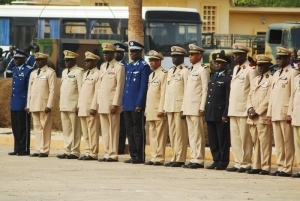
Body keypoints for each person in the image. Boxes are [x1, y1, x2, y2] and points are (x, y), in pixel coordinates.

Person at [267, 47, 298, 177]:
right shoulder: (275, 74)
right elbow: (272, 96)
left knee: (287, 141)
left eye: (281, 58)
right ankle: (280, 165)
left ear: (289, 58)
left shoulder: (293, 73)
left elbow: (292, 94)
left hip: (285, 111)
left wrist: (290, 112)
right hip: (275, 112)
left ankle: (287, 167)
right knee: (279, 142)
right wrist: (269, 113)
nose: (278, 60)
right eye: (278, 58)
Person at [227, 43, 258, 173]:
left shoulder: (251, 70)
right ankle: (238, 161)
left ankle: (245, 162)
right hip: (233, 108)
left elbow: (253, 90)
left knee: (245, 138)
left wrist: (250, 108)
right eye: (234, 54)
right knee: (235, 138)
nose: (235, 57)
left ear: (245, 55)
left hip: (243, 108)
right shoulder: (235, 69)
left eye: (238, 54)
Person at [92, 43, 125, 162]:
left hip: (112, 103)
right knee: (105, 130)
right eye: (104, 53)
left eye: (108, 53)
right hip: (103, 103)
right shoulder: (102, 66)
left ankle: (113, 154)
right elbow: (99, 87)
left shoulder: (118, 67)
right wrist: (97, 102)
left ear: (113, 54)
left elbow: (119, 87)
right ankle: (106, 153)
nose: (105, 55)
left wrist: (115, 103)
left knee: (113, 130)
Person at [122, 41, 151, 164]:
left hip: (136, 104)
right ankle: (133, 154)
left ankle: (139, 155)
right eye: (130, 51)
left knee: (138, 131)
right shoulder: (129, 66)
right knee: (129, 130)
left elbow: (143, 87)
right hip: (128, 103)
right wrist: (123, 102)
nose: (132, 53)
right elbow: (126, 86)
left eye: (134, 51)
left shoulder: (143, 66)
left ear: (140, 52)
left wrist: (139, 104)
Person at [181, 44, 210, 169]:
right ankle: (193, 157)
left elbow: (205, 89)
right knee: (192, 135)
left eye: (192, 54)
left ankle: (199, 159)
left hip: (197, 107)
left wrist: (202, 107)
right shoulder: (191, 70)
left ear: (200, 55)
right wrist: (183, 108)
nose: (190, 57)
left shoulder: (203, 70)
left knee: (198, 134)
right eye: (189, 55)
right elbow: (187, 91)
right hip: (189, 107)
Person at [26, 52, 57, 157]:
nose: (37, 62)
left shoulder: (50, 73)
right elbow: (30, 90)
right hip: (34, 104)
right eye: (36, 60)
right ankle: (38, 149)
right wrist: (28, 105)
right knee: (37, 127)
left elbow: (52, 90)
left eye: (39, 60)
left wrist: (49, 105)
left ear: (45, 61)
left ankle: (44, 149)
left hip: (44, 105)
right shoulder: (33, 73)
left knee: (45, 127)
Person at [246, 55, 273, 175]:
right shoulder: (256, 79)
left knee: (264, 142)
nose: (259, 67)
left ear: (268, 65)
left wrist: (257, 111)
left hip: (261, 115)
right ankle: (256, 165)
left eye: (262, 65)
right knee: (255, 141)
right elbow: (249, 96)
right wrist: (250, 109)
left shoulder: (271, 79)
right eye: (258, 65)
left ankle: (265, 166)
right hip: (252, 116)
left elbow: (269, 98)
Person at [205, 50, 231, 170]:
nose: (217, 65)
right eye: (216, 63)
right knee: (213, 138)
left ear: (225, 65)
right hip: (211, 112)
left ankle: (223, 160)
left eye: (220, 63)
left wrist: (225, 113)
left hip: (220, 113)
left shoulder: (227, 78)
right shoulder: (213, 77)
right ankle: (216, 159)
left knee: (222, 138)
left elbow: (227, 98)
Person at [164, 46, 189, 167]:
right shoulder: (170, 71)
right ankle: (174, 156)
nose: (173, 58)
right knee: (173, 133)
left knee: (180, 133)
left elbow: (186, 91)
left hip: (179, 106)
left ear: (182, 57)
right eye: (172, 56)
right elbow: (167, 91)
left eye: (176, 56)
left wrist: (184, 108)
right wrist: (165, 107)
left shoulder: (185, 71)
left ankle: (180, 158)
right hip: (170, 106)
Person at [56, 50, 84, 159]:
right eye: (65, 60)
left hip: (73, 105)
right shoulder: (64, 72)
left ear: (74, 60)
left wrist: (79, 105)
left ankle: (75, 151)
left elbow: (81, 90)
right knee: (66, 129)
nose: (66, 62)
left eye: (69, 60)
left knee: (75, 129)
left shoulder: (79, 72)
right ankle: (67, 150)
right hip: (64, 104)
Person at [144, 50, 168, 166]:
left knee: (160, 134)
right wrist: (147, 109)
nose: (151, 63)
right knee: (152, 134)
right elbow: (150, 93)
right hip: (151, 109)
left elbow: (163, 93)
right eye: (150, 61)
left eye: (153, 61)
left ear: (159, 61)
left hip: (158, 108)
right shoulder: (151, 75)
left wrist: (161, 109)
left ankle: (160, 157)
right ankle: (154, 156)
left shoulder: (163, 74)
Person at [8, 50, 33, 156]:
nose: (15, 60)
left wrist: (28, 103)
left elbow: (29, 89)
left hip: (23, 102)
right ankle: (17, 148)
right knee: (16, 127)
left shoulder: (28, 70)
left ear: (23, 59)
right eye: (14, 58)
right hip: (15, 102)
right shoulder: (14, 70)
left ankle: (24, 149)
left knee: (23, 127)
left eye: (17, 58)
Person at [77, 51, 100, 161]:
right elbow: (81, 92)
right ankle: (87, 151)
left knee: (92, 131)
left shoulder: (98, 74)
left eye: (89, 61)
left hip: (91, 107)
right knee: (85, 131)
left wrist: (94, 107)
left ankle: (93, 152)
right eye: (86, 61)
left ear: (95, 61)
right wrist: (78, 105)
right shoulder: (85, 74)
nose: (86, 63)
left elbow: (97, 92)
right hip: (82, 107)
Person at [114, 42, 128, 154]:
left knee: (121, 126)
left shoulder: (125, 67)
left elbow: (124, 85)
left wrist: (122, 101)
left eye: (119, 53)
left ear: (123, 54)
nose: (117, 55)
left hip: (121, 100)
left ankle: (120, 147)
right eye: (116, 52)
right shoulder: (109, 66)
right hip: (111, 99)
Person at [290, 50, 300, 178]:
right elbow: (293, 97)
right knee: (298, 144)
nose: (298, 64)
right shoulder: (297, 78)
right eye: (298, 62)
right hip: (297, 116)